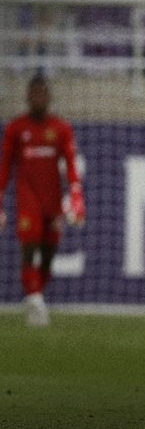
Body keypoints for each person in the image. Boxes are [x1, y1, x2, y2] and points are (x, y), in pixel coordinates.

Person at [0, 74, 85, 327]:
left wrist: (76, 195)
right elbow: (5, 167)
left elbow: (70, 166)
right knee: (29, 248)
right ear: (27, 97)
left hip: (53, 201)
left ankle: (35, 296)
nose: (38, 98)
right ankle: (34, 297)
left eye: (42, 93)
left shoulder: (60, 129)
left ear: (49, 97)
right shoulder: (16, 129)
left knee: (48, 254)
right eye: (34, 93)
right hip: (28, 199)